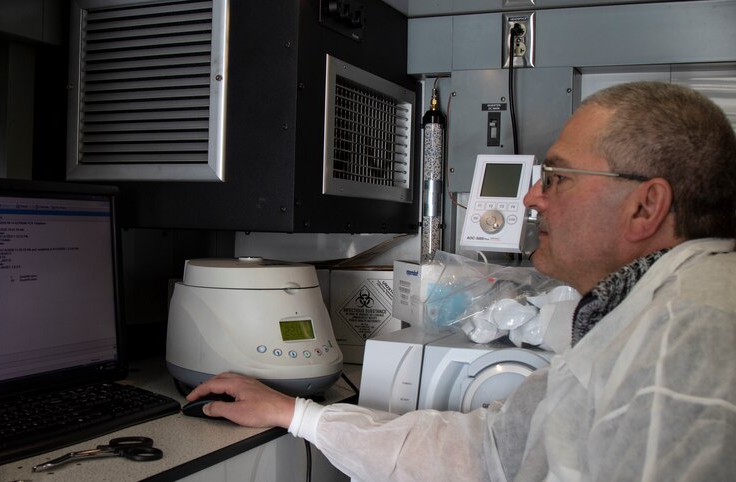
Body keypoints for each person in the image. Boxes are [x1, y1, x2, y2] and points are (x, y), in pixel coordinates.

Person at [186, 82, 736, 481]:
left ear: (646, 206)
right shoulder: (627, 317)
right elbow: (487, 451)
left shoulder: (688, 334)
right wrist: (297, 413)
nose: (531, 198)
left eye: (558, 178)